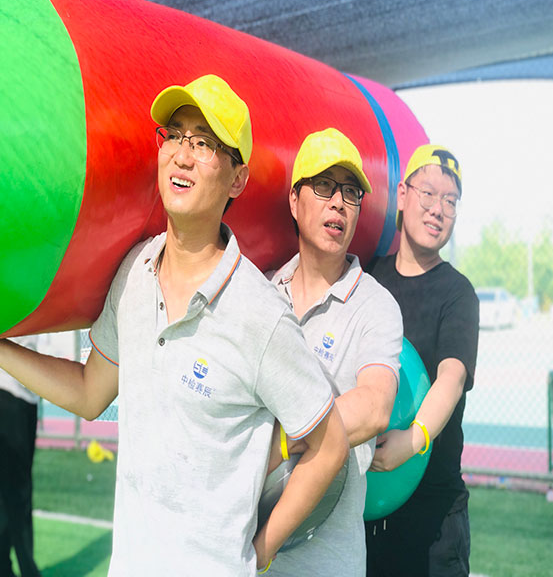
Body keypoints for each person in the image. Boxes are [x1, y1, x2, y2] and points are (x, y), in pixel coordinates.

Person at [0, 75, 349, 576]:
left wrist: (262, 549)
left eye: (204, 143)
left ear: (237, 179)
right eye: (175, 136)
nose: (182, 156)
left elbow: (330, 444)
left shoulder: (261, 313)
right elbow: (89, 392)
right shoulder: (134, 272)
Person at [268, 128, 403, 576]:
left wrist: (278, 444)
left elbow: (375, 406)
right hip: (246, 550)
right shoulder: (263, 292)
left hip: (328, 560)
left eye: (350, 192)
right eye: (324, 186)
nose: (339, 203)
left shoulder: (375, 305)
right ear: (294, 200)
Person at [364, 144, 479, 577]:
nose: (438, 209)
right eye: (428, 194)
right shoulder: (367, 278)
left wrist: (413, 441)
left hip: (434, 520)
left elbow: (451, 377)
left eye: (450, 201)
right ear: (402, 195)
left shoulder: (458, 294)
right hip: (365, 513)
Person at [0, 336, 41, 577]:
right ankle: (27, 570)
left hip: (25, 393)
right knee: (18, 492)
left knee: (10, 491)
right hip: (9, 392)